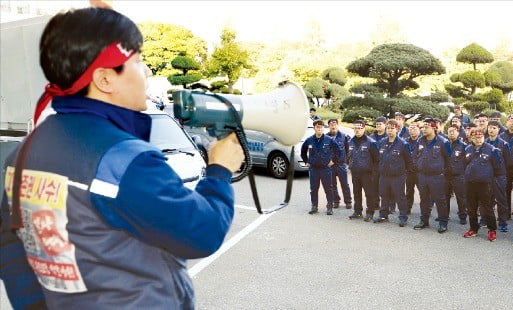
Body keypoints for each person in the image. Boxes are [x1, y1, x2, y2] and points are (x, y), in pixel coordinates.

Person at [0, 7, 244, 309]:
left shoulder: (23, 153)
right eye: (138, 61)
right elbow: (203, 232)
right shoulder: (126, 161)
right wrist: (220, 170)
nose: (147, 72)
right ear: (105, 79)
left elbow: (12, 249)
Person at [462, 128, 504, 242]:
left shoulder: (491, 149)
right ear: (471, 138)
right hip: (470, 183)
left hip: (485, 184)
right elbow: (464, 165)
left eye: (480, 137)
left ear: (483, 137)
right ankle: (473, 229)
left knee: (487, 208)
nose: (478, 139)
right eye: (475, 137)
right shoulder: (467, 149)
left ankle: (492, 230)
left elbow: (498, 168)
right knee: (471, 208)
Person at [414, 118, 452, 233]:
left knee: (440, 200)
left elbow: (448, 159)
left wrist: (443, 173)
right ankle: (424, 220)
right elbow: (415, 155)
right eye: (423, 127)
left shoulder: (443, 142)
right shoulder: (420, 141)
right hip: (423, 176)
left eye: (426, 127)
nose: (424, 129)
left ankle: (443, 222)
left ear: (434, 128)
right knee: (424, 199)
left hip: (437, 176)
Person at [373, 120, 412, 227]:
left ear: (397, 129)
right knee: (384, 196)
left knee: (400, 197)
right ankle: (383, 215)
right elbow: (378, 158)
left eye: (392, 128)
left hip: (398, 176)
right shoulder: (382, 142)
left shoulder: (403, 144)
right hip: (384, 175)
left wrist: (404, 173)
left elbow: (409, 161)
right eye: (388, 128)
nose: (390, 130)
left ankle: (403, 217)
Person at [301, 120, 341, 215]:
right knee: (314, 189)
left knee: (328, 189)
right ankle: (314, 206)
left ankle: (329, 207)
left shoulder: (329, 139)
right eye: (317, 127)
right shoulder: (309, 140)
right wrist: (306, 161)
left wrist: (333, 161)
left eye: (321, 127)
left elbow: (338, 151)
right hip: (314, 169)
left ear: (323, 128)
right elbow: (303, 151)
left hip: (325, 169)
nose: (319, 129)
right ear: (314, 128)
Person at [347, 120, 379, 221]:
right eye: (355, 128)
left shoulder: (371, 142)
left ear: (364, 129)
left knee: (369, 193)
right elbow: (348, 156)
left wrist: (373, 173)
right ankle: (357, 211)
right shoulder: (351, 141)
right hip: (355, 172)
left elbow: (377, 159)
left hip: (367, 173)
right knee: (356, 193)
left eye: (359, 128)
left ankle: (370, 212)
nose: (357, 130)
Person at [486, 120, 509, 232]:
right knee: (486, 200)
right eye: (490, 127)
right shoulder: (484, 142)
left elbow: (508, 161)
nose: (491, 130)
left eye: (494, 128)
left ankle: (503, 222)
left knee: (501, 200)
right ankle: (487, 220)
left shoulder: (503, 144)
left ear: (499, 130)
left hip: (499, 176)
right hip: (486, 177)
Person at [326, 118, 353, 209]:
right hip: (330, 165)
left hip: (341, 164)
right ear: (329, 126)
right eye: (331, 124)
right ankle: (336, 201)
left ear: (338, 125)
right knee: (332, 184)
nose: (333, 126)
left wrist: (346, 162)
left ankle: (348, 202)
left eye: (335, 124)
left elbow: (348, 151)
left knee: (344, 184)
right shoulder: (325, 137)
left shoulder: (344, 137)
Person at [445, 124, 468, 225]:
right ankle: (444, 215)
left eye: (454, 131)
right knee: (445, 197)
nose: (451, 133)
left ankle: (463, 216)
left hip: (458, 176)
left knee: (461, 197)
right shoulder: (444, 144)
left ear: (458, 133)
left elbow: (467, 161)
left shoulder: (463, 146)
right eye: (449, 131)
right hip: (445, 176)